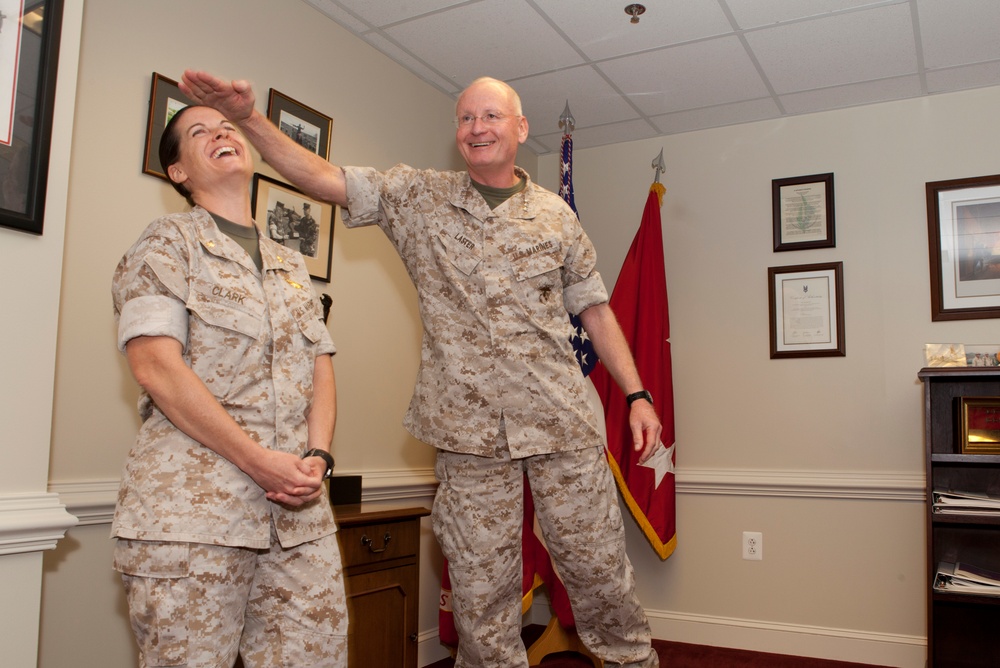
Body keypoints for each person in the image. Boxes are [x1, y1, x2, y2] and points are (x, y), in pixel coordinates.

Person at [182, 70, 662, 668]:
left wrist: (637, 393)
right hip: (468, 438)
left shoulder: (557, 217)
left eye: (491, 116)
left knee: (601, 579)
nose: (477, 128)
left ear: (520, 128)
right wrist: (250, 118)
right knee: (482, 603)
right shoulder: (418, 197)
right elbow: (319, 176)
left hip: (562, 424)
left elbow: (594, 308)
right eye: (466, 118)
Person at [110, 104, 347, 667]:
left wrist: (317, 454)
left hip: (297, 516)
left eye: (226, 125)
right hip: (194, 518)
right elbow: (155, 366)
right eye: (198, 132)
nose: (219, 132)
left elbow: (320, 365)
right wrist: (256, 459)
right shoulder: (166, 245)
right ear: (178, 173)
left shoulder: (290, 263)